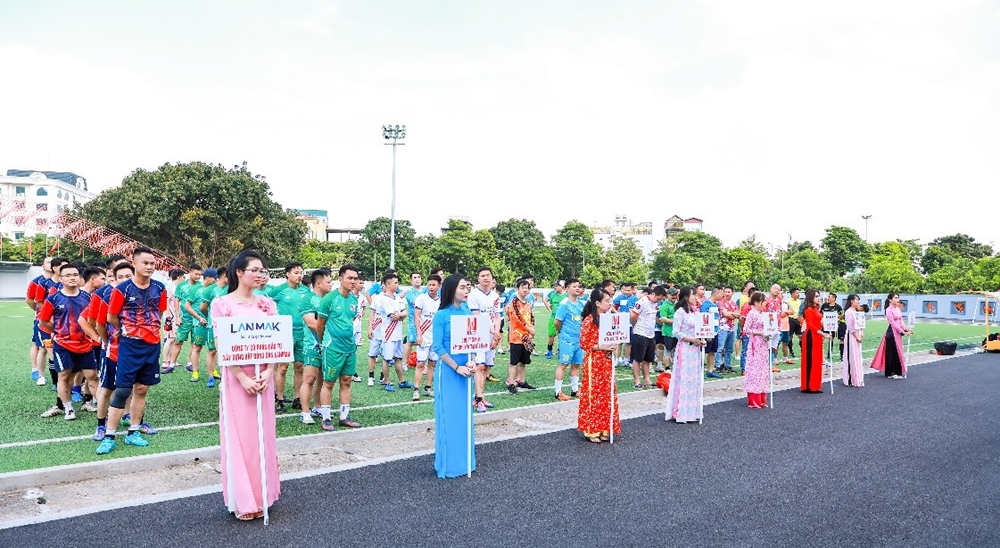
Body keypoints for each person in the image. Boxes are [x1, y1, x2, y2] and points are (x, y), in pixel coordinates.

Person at [210, 250, 280, 521]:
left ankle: (263, 495)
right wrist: (242, 377)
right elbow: (221, 345)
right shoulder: (222, 304)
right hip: (237, 379)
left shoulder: (267, 304)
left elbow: (277, 341)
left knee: (263, 437)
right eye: (255, 269)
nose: (260, 274)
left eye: (263, 270)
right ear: (239, 272)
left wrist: (269, 371)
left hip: (264, 377)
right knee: (240, 437)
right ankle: (244, 499)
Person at [97, 247, 168, 454]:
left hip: (152, 345)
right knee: (122, 390)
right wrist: (125, 330)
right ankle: (109, 435)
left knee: (142, 389)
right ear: (135, 264)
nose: (149, 267)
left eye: (152, 264)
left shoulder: (160, 288)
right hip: (129, 345)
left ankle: (133, 432)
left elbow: (160, 312)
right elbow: (111, 317)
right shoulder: (122, 289)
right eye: (145, 263)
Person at [37, 261, 101, 421]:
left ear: (79, 278)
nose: (72, 278)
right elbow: (43, 320)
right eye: (68, 275)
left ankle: (103, 407)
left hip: (85, 345)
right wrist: (58, 332)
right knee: (65, 376)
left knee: (92, 376)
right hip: (63, 345)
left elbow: (93, 319)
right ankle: (68, 408)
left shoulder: (88, 298)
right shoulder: (53, 299)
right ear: (61, 279)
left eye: (75, 275)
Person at [431, 274, 476, 478]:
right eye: (462, 288)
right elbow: (438, 347)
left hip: (467, 369)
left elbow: (473, 342)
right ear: (451, 290)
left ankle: (466, 462)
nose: (466, 291)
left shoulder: (467, 311)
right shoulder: (441, 316)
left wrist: (472, 360)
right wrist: (457, 367)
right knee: (449, 418)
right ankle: (449, 465)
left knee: (465, 417)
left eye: (467, 288)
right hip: (449, 371)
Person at [315, 265, 363, 430]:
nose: (353, 281)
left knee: (347, 381)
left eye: (355, 278)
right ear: (340, 279)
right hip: (333, 348)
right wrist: (324, 343)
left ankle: (344, 416)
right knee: (328, 382)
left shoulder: (353, 300)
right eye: (349, 278)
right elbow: (319, 325)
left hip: (350, 348)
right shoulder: (329, 299)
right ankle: (326, 418)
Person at [265, 262, 312, 412]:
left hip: (302, 333)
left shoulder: (306, 291)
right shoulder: (278, 290)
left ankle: (297, 398)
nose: (300, 276)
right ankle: (279, 399)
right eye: (296, 273)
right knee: (283, 367)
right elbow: (263, 303)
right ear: (287, 274)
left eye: (301, 273)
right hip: (284, 332)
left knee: (299, 367)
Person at [577, 288, 621, 443]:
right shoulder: (589, 320)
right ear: (597, 302)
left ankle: (604, 428)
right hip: (594, 361)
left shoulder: (608, 319)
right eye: (607, 301)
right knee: (594, 394)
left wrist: (613, 346)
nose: (609, 303)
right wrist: (603, 346)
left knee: (606, 393)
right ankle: (592, 429)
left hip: (607, 360)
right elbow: (584, 343)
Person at [667, 286, 706, 423]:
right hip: (685, 349)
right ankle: (680, 412)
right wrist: (691, 340)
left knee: (693, 380)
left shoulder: (695, 312)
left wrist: (702, 340)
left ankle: (691, 411)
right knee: (684, 379)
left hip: (695, 350)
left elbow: (701, 330)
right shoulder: (680, 312)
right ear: (685, 297)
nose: (696, 297)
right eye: (693, 295)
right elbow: (676, 332)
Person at [298, 268, 332, 423]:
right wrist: (332, 328)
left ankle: (318, 407)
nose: (331, 285)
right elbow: (311, 323)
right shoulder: (308, 299)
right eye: (328, 282)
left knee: (324, 379)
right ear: (318, 283)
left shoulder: (330, 299)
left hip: (327, 346)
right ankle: (305, 412)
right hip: (312, 345)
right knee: (309, 378)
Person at [467, 267, 502, 411]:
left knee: (487, 367)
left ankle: (479, 396)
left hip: (492, 334)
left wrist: (497, 334)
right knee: (479, 366)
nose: (485, 278)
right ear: (478, 278)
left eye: (488, 275)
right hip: (478, 334)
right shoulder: (473, 295)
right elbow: (477, 317)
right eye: (482, 276)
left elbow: (497, 316)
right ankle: (479, 398)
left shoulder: (495, 296)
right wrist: (494, 332)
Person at [372, 272, 411, 392]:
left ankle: (402, 381)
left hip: (398, 333)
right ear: (388, 284)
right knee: (387, 359)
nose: (397, 285)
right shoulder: (383, 299)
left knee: (398, 358)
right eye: (395, 283)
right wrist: (400, 314)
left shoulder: (398, 298)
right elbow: (393, 315)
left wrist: (400, 314)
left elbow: (405, 313)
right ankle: (387, 381)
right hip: (389, 333)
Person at [164, 264, 203, 374]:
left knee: (194, 343)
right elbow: (176, 301)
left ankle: (190, 363)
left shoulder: (201, 286)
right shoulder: (181, 286)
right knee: (178, 341)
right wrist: (177, 317)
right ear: (190, 273)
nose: (198, 276)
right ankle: (171, 364)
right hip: (184, 319)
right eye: (196, 274)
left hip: (197, 319)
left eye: (200, 275)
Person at [553, 278, 585, 401]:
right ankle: (558, 392)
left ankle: (575, 390)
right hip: (567, 339)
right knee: (563, 365)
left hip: (578, 340)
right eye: (574, 286)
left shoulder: (581, 304)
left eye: (578, 286)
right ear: (567, 288)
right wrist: (562, 333)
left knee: (576, 365)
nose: (577, 288)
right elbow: (557, 322)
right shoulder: (564, 304)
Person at [412, 274, 442, 401]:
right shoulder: (421, 299)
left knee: (433, 363)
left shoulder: (441, 301)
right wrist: (419, 334)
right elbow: (417, 317)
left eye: (433, 285)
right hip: (424, 336)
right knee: (420, 363)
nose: (431, 287)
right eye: (429, 284)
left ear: (439, 286)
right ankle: (416, 389)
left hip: (436, 338)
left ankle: (428, 387)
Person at [26, 256, 54, 385]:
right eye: (48, 262)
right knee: (38, 345)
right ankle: (35, 370)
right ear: (43, 266)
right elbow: (30, 300)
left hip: (57, 320)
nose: (51, 264)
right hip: (42, 320)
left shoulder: (60, 281)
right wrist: (39, 312)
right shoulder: (37, 282)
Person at [631, 285, 666, 388]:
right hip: (640, 333)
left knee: (648, 359)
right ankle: (637, 381)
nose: (658, 301)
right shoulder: (642, 302)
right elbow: (633, 315)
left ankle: (647, 379)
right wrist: (635, 326)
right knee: (638, 358)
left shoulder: (655, 304)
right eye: (658, 299)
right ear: (653, 294)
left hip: (651, 334)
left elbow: (654, 316)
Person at [199, 268, 228, 389]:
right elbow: (203, 308)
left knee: (227, 352)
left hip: (229, 326)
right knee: (212, 351)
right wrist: (210, 318)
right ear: (224, 276)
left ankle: (226, 378)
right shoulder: (210, 290)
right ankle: (211, 376)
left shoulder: (232, 289)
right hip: (214, 326)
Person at [871, 293, 911, 379]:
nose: (897, 299)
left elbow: (901, 321)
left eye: (898, 298)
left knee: (899, 351)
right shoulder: (888, 310)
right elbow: (892, 323)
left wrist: (906, 329)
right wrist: (902, 331)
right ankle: (891, 372)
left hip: (898, 332)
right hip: (892, 333)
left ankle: (897, 372)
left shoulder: (898, 309)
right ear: (890, 300)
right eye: (896, 298)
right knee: (892, 353)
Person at [504, 279, 534, 394]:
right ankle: (511, 383)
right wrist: (529, 329)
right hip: (516, 337)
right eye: (523, 287)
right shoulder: (514, 303)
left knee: (523, 362)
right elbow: (517, 319)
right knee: (514, 362)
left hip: (526, 338)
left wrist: (531, 333)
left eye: (527, 288)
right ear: (517, 289)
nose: (525, 290)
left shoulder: (528, 304)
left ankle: (522, 381)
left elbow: (531, 318)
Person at [187, 268, 217, 384]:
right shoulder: (196, 289)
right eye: (214, 278)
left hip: (211, 323)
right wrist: (199, 318)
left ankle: (213, 371)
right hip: (199, 323)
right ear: (208, 277)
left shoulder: (214, 290)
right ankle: (195, 372)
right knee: (197, 348)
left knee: (213, 349)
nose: (216, 280)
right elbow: (187, 306)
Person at [742, 292, 771, 408]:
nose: (765, 304)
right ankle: (754, 399)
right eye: (763, 301)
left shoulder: (763, 314)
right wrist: (760, 333)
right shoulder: (752, 313)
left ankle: (762, 397)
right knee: (755, 370)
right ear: (757, 302)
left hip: (763, 344)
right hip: (755, 343)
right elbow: (746, 329)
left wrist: (768, 333)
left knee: (762, 369)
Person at [799, 289, 830, 393]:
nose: (818, 298)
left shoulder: (816, 309)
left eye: (818, 296)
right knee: (811, 360)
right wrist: (822, 333)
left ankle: (815, 385)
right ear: (811, 297)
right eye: (816, 296)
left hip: (817, 336)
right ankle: (809, 385)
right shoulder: (808, 309)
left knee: (817, 360)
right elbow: (810, 325)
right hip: (811, 336)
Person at [842, 294, 865, 387]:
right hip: (852, 336)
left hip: (858, 334)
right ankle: (851, 379)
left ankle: (859, 378)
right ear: (852, 301)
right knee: (852, 357)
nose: (858, 302)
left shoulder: (857, 312)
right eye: (856, 300)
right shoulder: (848, 312)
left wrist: (861, 334)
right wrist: (856, 336)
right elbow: (850, 327)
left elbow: (861, 324)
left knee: (858, 356)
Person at [715, 286, 738, 374]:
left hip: (731, 328)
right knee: (720, 348)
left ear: (732, 293)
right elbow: (725, 314)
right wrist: (732, 314)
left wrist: (730, 314)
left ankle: (727, 365)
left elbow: (738, 314)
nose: (727, 294)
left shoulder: (733, 303)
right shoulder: (720, 302)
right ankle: (718, 365)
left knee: (729, 349)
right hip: (722, 327)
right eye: (726, 292)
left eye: (729, 292)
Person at [657, 287, 679, 371]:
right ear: (667, 295)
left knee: (677, 350)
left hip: (677, 332)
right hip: (668, 332)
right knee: (668, 350)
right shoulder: (664, 305)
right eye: (672, 294)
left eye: (675, 294)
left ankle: (676, 367)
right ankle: (667, 368)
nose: (674, 296)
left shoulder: (678, 304)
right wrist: (676, 322)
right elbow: (663, 319)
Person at [544, 280, 566, 359]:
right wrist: (549, 309)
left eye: (557, 286)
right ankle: (549, 350)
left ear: (562, 286)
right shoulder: (553, 293)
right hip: (553, 317)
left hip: (564, 319)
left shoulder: (567, 295)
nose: (555, 287)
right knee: (551, 335)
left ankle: (560, 351)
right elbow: (545, 300)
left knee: (562, 335)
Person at [821, 293, 846, 360]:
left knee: (835, 338)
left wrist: (837, 320)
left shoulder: (838, 307)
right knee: (825, 338)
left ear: (834, 298)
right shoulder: (824, 305)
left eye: (829, 297)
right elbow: (821, 314)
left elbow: (842, 316)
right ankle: (826, 354)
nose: (828, 298)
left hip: (834, 325)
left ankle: (840, 355)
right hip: (825, 325)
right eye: (828, 297)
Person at [786, 287, 802, 358]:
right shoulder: (787, 301)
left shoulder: (799, 301)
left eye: (798, 293)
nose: (798, 294)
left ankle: (802, 350)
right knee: (790, 336)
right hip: (791, 320)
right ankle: (791, 351)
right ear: (792, 293)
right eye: (797, 293)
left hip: (798, 320)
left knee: (801, 336)